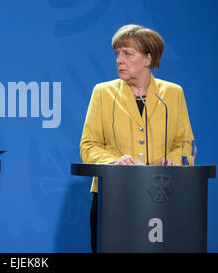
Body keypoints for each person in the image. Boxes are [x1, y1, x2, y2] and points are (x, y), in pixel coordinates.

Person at [79, 24, 195, 252]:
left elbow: (185, 145)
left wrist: (173, 160)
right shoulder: (103, 93)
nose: (119, 60)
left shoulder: (173, 94)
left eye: (127, 54)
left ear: (147, 59)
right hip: (112, 193)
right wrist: (113, 161)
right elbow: (88, 145)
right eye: (117, 54)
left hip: (162, 194)